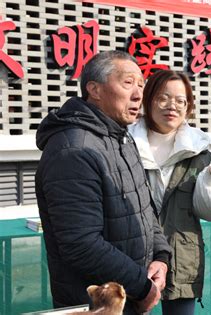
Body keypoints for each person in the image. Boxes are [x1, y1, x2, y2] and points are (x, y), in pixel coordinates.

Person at [35, 51, 172, 314]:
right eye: (127, 83)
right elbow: (81, 243)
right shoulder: (73, 149)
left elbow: (144, 206)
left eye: (141, 85)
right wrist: (142, 287)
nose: (137, 94)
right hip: (97, 304)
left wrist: (161, 257)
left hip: (130, 295)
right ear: (94, 90)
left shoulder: (122, 137)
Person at [128, 69, 211, 315]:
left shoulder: (197, 150)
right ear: (148, 100)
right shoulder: (125, 144)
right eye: (163, 97)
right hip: (131, 258)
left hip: (181, 257)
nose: (172, 106)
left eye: (181, 100)